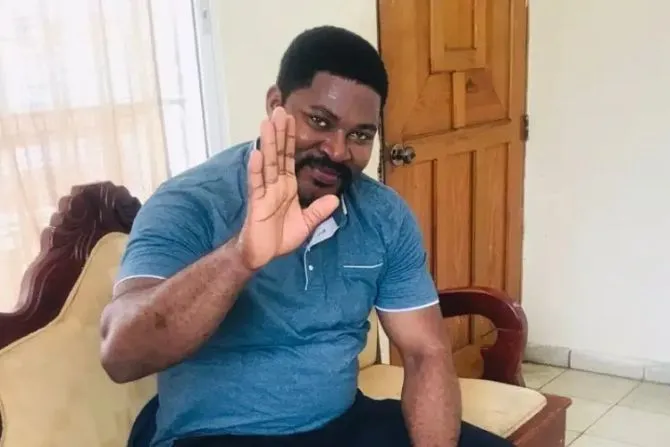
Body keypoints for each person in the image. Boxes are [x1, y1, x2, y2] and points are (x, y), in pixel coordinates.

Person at [100, 26, 514, 447]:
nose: (337, 150)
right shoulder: (191, 202)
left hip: (343, 423)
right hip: (215, 434)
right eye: (319, 121)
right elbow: (121, 356)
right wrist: (241, 257)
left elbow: (426, 352)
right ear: (275, 106)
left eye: (360, 135)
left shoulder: (383, 214)